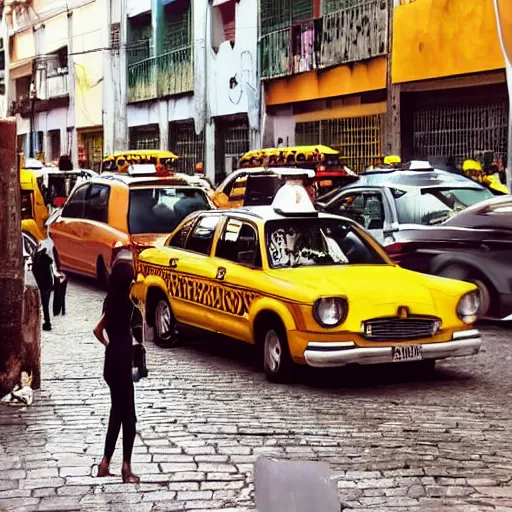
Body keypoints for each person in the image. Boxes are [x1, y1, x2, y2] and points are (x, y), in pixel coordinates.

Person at [93, 260, 139, 484]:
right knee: (129, 417)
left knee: (117, 413)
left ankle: (104, 464)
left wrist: (109, 345)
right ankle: (126, 468)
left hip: (111, 361)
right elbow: (142, 328)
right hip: (122, 363)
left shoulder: (110, 301)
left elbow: (97, 329)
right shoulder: (129, 304)